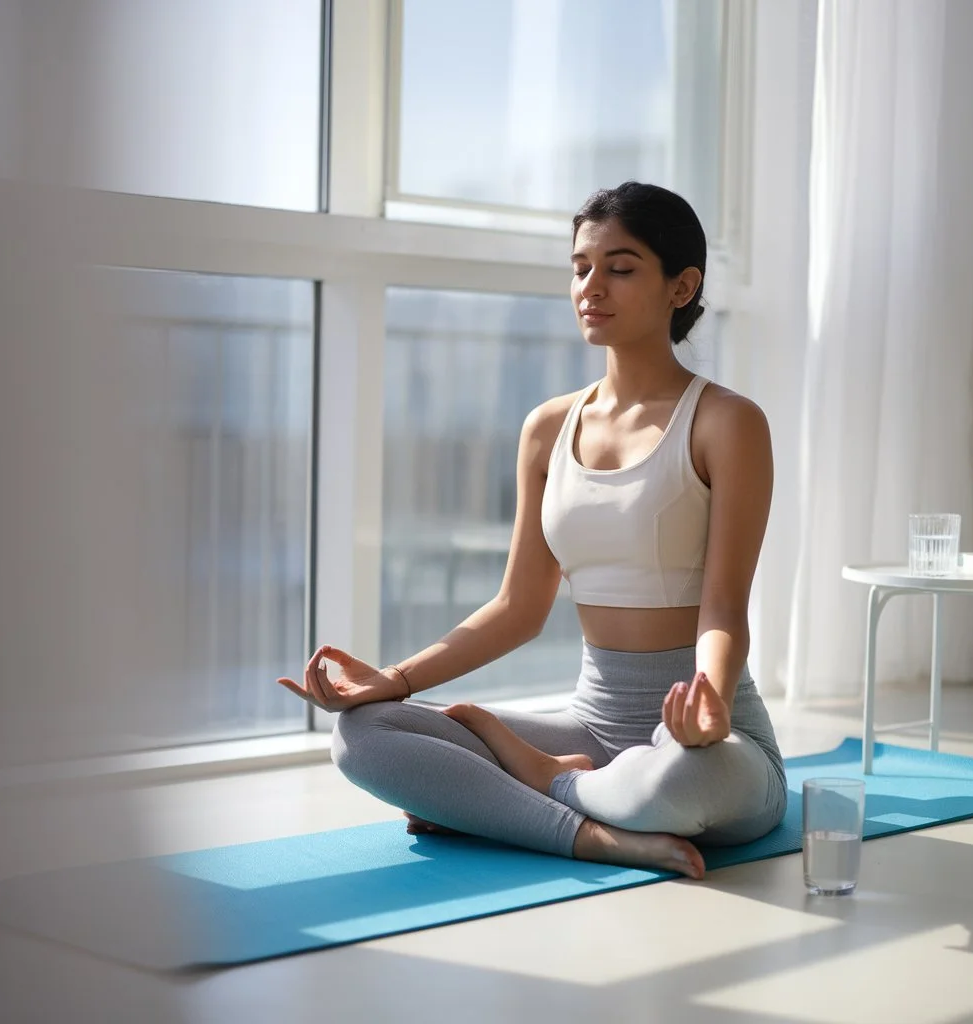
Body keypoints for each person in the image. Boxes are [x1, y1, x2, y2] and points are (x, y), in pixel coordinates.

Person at [278, 181, 787, 880]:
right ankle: (587, 832)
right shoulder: (548, 429)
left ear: (682, 285)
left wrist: (711, 704)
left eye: (621, 266)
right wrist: (392, 681)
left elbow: (725, 608)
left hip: (706, 743)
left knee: (674, 783)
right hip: (591, 727)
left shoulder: (727, 422)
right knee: (363, 736)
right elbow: (518, 608)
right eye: (581, 267)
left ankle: (540, 788)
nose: (591, 286)